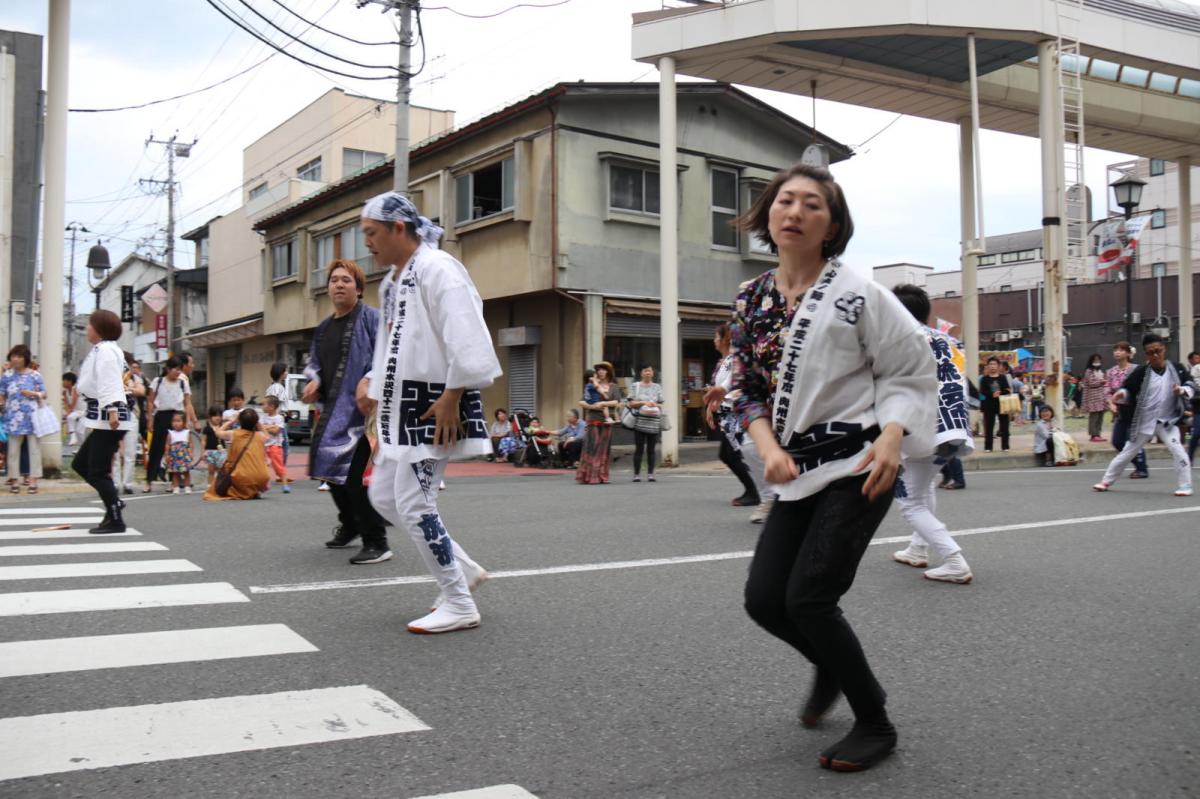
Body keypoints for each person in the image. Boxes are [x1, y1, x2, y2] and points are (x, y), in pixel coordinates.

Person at [732, 163, 936, 772]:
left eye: (813, 204)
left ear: (833, 224)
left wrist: (895, 434)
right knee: (766, 601)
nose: (795, 212)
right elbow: (744, 383)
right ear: (769, 214)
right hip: (794, 467)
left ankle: (874, 720)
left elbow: (909, 368)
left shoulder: (859, 295)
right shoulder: (752, 297)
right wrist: (767, 448)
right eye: (785, 201)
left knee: (811, 598)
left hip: (861, 460)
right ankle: (830, 662)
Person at [358, 191, 497, 633]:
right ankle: (464, 570)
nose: (368, 244)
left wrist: (454, 395)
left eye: (372, 233)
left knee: (416, 504)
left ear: (399, 228)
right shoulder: (393, 280)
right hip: (404, 403)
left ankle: (458, 601)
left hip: (436, 403)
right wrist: (374, 389)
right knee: (382, 495)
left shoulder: (438, 267)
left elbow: (467, 331)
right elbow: (390, 346)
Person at [303, 259, 393, 564]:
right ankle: (352, 523)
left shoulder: (372, 319)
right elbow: (314, 364)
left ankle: (377, 541)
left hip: (364, 413)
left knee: (355, 477)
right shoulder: (324, 329)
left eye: (346, 280)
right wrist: (313, 381)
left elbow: (387, 356)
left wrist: (369, 379)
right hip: (333, 413)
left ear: (358, 287)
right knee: (327, 471)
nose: (339, 284)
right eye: (334, 280)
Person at [888, 285, 974, 584]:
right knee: (923, 489)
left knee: (909, 501)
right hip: (954, 426)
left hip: (921, 428)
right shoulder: (949, 340)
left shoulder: (902, 340)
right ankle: (917, 547)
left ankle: (953, 559)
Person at [1094, 333, 1195, 497]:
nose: (1155, 355)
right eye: (1150, 352)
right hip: (1145, 421)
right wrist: (1121, 394)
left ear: (1164, 349)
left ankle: (1185, 485)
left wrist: (1181, 390)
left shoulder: (1177, 368)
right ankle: (1106, 481)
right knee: (1128, 451)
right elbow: (1128, 389)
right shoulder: (1141, 372)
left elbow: (1191, 385)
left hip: (1167, 422)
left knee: (1178, 451)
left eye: (1158, 350)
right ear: (1145, 354)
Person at [74, 310, 135, 533]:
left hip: (110, 417)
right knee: (81, 464)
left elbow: (111, 381)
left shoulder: (107, 350)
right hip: (104, 416)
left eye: (90, 325)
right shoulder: (103, 349)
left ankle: (116, 518)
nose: (87, 329)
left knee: (97, 471)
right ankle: (114, 504)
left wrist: (111, 410)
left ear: (99, 329)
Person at [703, 323, 764, 510]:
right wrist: (710, 408)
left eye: (716, 337)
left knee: (734, 453)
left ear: (724, 339)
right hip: (726, 413)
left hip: (736, 413)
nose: (714, 341)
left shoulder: (734, 360)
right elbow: (717, 389)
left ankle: (755, 491)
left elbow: (735, 386)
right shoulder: (723, 362)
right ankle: (755, 490)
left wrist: (720, 400)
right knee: (733, 454)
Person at [144, 356, 194, 492]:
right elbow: (150, 401)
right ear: (167, 369)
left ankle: (174, 482)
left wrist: (188, 421)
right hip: (161, 416)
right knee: (156, 449)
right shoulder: (158, 381)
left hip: (178, 416)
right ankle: (149, 481)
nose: (178, 372)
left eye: (180, 370)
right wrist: (150, 419)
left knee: (176, 449)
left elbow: (187, 403)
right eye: (175, 369)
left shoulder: (183, 383)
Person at [1, 344, 46, 494]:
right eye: (13, 356)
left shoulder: (34, 375)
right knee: (12, 450)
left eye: (19, 356)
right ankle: (14, 480)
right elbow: (2, 394)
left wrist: (33, 393)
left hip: (32, 418)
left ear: (25, 358)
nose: (15, 359)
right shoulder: (6, 375)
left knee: (34, 450)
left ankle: (33, 480)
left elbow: (44, 393)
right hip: (13, 417)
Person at [204, 407, 270, 501]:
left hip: (241, 478)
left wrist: (232, 420)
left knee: (230, 469)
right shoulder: (260, 436)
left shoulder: (234, 434)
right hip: (262, 478)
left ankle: (244, 491)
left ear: (240, 421)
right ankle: (252, 491)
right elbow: (267, 435)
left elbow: (217, 432)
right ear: (255, 422)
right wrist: (258, 423)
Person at [1106, 341, 1148, 479]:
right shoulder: (1111, 372)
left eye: (1121, 350)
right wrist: (1111, 404)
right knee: (1117, 441)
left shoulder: (1136, 369)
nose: (1117, 352)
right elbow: (1107, 391)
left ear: (1129, 353)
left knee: (1132, 438)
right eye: (1115, 349)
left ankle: (1141, 468)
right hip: (1120, 410)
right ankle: (1138, 464)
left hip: (1135, 409)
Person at [576, 361, 622, 485]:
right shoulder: (592, 384)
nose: (601, 372)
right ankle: (589, 476)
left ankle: (601, 476)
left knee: (603, 448)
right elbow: (581, 402)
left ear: (608, 372)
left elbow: (617, 402)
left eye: (603, 369)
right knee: (592, 447)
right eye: (599, 370)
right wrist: (594, 406)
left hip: (607, 420)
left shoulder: (613, 386)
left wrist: (603, 404)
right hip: (593, 418)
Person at [113, 353, 146, 495]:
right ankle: (114, 483)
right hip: (114, 415)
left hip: (131, 414)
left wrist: (128, 389)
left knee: (130, 451)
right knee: (114, 452)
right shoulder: (112, 376)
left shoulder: (133, 378)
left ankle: (127, 483)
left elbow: (142, 391)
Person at [626, 364, 664, 482]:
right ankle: (636, 474)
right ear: (641, 373)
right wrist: (643, 403)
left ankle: (650, 474)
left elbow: (661, 403)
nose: (648, 373)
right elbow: (630, 403)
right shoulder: (635, 386)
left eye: (650, 371)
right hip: (639, 421)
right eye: (645, 371)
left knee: (651, 449)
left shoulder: (657, 387)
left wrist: (654, 404)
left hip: (653, 421)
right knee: (639, 448)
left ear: (653, 373)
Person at [978, 357, 1012, 452]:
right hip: (989, 404)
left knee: (1004, 426)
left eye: (994, 364)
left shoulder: (1003, 377)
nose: (993, 366)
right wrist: (991, 394)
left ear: (998, 366)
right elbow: (982, 391)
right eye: (991, 364)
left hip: (1002, 404)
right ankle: (988, 447)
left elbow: (1007, 389)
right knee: (989, 426)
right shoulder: (984, 379)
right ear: (988, 366)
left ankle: (1005, 446)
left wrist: (1000, 393)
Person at [260, 395, 291, 493]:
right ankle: (264, 484)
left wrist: (266, 427)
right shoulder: (263, 417)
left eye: (264, 404)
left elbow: (276, 431)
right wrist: (270, 426)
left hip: (275, 446)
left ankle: (285, 485)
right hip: (264, 446)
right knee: (263, 466)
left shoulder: (279, 418)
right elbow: (259, 427)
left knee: (279, 467)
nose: (262, 406)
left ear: (272, 406)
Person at [265, 362, 290, 466]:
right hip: (279, 420)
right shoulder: (277, 387)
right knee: (284, 446)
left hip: (278, 419)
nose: (287, 373)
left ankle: (281, 471)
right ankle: (281, 472)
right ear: (281, 373)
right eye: (285, 371)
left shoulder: (274, 386)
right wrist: (282, 415)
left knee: (279, 445)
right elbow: (273, 403)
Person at [164, 412, 194, 494]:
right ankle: (176, 487)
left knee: (186, 472)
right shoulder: (171, 433)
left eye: (178, 421)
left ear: (184, 422)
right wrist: (166, 454)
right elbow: (167, 445)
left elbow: (190, 444)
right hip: (174, 456)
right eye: (174, 421)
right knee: (175, 473)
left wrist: (191, 453)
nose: (176, 423)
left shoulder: (187, 432)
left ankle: (187, 486)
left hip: (184, 455)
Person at [1081, 354, 1108, 441]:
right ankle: (1093, 435)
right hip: (1092, 397)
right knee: (1094, 416)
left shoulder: (1100, 371)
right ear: (1091, 361)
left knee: (1100, 415)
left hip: (1101, 397)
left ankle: (1098, 434)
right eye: (1095, 360)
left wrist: (1103, 381)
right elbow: (1091, 383)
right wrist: (1101, 381)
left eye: (1098, 360)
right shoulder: (1089, 371)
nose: (1097, 362)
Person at [201, 404, 226, 491]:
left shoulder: (223, 427)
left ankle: (219, 485)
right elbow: (203, 440)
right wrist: (202, 451)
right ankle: (210, 485)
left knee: (220, 470)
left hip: (221, 451)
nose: (217, 418)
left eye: (219, 415)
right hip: (210, 451)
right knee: (211, 469)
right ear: (210, 417)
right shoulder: (207, 428)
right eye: (215, 415)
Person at [62, 371, 81, 448]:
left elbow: (73, 405)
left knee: (70, 417)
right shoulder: (65, 391)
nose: (62, 382)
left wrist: (68, 413)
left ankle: (73, 437)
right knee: (80, 432)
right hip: (75, 412)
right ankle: (78, 446)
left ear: (70, 381)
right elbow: (67, 406)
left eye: (64, 380)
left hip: (83, 411)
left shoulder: (75, 390)